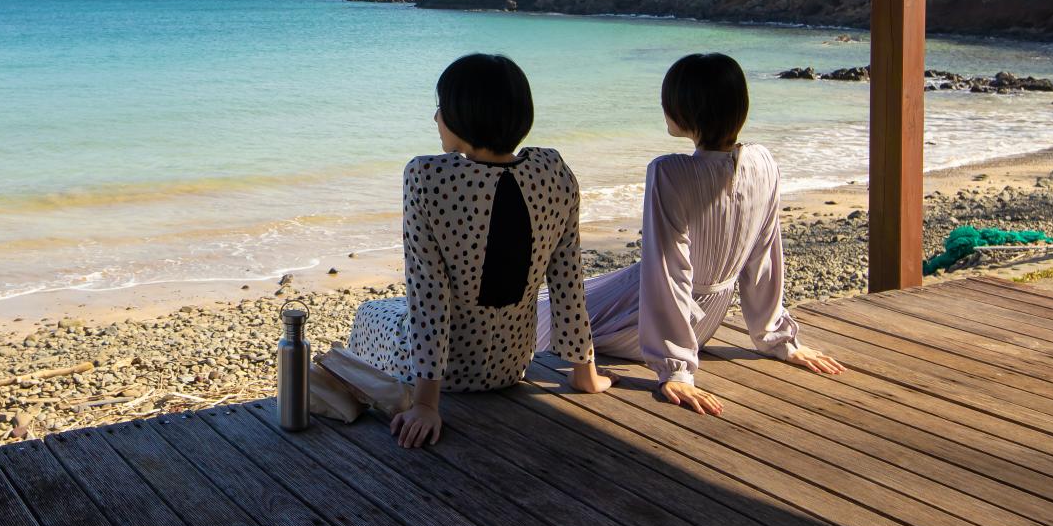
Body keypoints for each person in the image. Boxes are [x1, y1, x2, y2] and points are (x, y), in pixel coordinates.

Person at [535, 52, 844, 415]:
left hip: (651, 318)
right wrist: (777, 338)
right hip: (704, 322)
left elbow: (669, 272)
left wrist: (676, 368)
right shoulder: (763, 162)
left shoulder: (670, 172)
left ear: (684, 111)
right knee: (554, 301)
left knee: (541, 314)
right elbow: (763, 256)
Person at [346, 53, 611, 449]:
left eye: (441, 108)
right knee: (400, 307)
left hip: (446, 376)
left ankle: (383, 394)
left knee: (371, 311)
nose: (435, 118)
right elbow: (567, 277)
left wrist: (426, 405)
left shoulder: (428, 177)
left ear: (464, 114)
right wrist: (585, 372)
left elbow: (429, 294)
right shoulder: (553, 170)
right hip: (511, 367)